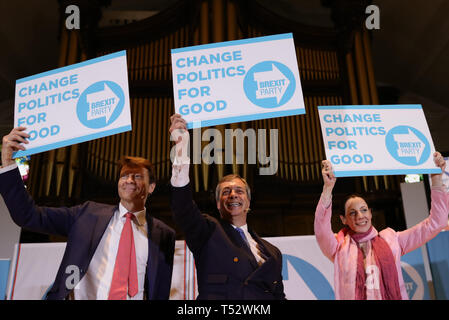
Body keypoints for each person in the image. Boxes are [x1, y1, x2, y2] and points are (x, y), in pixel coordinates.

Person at [0, 126, 175, 300]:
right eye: (124, 175)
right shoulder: (87, 214)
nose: (129, 180)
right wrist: (8, 162)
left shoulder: (164, 234)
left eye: (137, 176)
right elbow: (29, 216)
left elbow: (159, 289)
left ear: (151, 187)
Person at [169, 114, 285, 300]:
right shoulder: (208, 232)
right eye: (226, 192)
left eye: (239, 190)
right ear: (218, 204)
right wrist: (181, 148)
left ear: (248, 201)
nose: (233, 194)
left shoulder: (273, 253)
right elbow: (183, 207)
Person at [314, 152, 449, 300]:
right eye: (352, 213)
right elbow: (321, 230)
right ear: (343, 219)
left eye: (364, 210)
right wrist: (327, 188)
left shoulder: (392, 240)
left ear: (370, 214)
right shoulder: (338, 247)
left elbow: (437, 222)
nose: (360, 216)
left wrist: (436, 180)